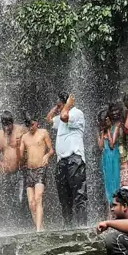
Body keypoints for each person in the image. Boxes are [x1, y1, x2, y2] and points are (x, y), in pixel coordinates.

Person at [46, 92, 87, 227]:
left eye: (60, 105)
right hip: (62, 161)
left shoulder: (76, 113)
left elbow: (64, 116)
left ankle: (82, 227)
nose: (59, 109)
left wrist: (68, 105)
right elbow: (49, 119)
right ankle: (68, 226)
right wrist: (56, 107)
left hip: (74, 159)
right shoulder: (60, 116)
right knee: (64, 198)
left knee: (78, 195)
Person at [19, 114, 53, 231]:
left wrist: (47, 155)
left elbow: (51, 150)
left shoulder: (43, 132)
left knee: (38, 198)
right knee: (31, 203)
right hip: (29, 170)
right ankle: (41, 227)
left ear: (37, 123)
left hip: (40, 169)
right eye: (29, 125)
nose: (31, 127)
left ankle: (38, 230)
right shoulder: (24, 137)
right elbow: (21, 156)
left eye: (32, 124)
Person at [0, 111, 26, 227]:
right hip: (6, 173)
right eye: (4, 125)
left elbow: (32, 139)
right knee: (8, 199)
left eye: (9, 125)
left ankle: (22, 224)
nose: (7, 128)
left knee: (20, 199)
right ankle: (10, 225)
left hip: (20, 171)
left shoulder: (21, 130)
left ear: (12, 122)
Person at [98, 107, 121, 208]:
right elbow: (100, 146)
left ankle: (116, 206)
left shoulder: (115, 128)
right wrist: (103, 133)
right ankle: (109, 208)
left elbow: (112, 145)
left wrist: (108, 132)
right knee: (107, 182)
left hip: (114, 156)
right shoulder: (99, 132)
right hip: (105, 157)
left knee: (115, 180)